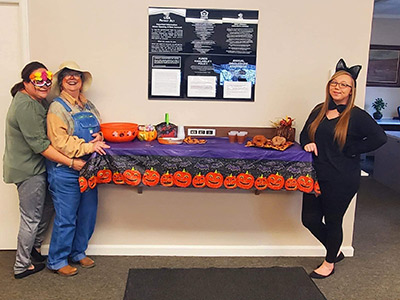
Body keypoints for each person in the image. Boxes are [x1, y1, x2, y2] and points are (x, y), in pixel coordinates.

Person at [300, 58, 387, 279]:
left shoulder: (356, 115)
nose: (338, 87)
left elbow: (380, 137)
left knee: (333, 220)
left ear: (351, 91)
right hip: (315, 175)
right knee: (309, 219)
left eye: (344, 84)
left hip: (341, 178)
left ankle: (329, 262)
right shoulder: (319, 110)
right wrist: (307, 143)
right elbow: (304, 134)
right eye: (334, 83)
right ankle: (334, 250)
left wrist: (353, 149)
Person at [3, 61, 86, 279]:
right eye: (37, 82)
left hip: (41, 167)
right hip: (28, 169)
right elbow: (40, 145)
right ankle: (21, 265)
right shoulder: (26, 106)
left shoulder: (38, 100)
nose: (44, 85)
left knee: (48, 208)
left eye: (47, 81)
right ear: (26, 83)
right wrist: (71, 162)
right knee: (31, 217)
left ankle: (34, 250)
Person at [46, 61, 109, 276]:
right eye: (68, 76)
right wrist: (89, 146)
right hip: (65, 170)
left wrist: (100, 136)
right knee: (66, 217)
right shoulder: (57, 107)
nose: (73, 79)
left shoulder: (88, 105)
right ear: (61, 82)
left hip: (88, 169)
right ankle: (57, 260)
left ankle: (78, 252)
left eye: (77, 76)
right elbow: (59, 142)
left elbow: (99, 127)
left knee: (88, 214)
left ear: (82, 82)